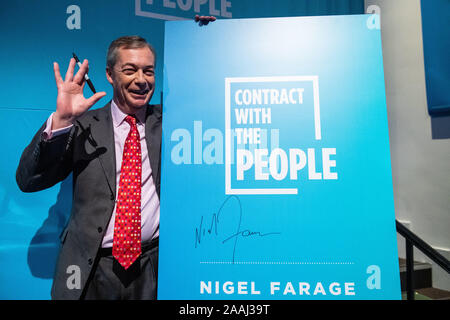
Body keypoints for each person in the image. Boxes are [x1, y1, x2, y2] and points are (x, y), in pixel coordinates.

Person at [16, 17, 216, 300]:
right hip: (90, 269)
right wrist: (62, 121)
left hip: (153, 267)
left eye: (148, 71)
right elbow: (29, 180)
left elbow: (212, 93)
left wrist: (207, 38)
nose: (141, 80)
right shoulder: (83, 124)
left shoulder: (174, 123)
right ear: (110, 74)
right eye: (130, 70)